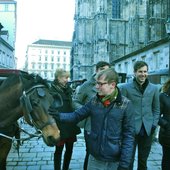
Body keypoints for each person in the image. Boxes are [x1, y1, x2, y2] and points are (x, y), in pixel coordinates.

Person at [49, 68, 135, 170]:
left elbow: (129, 136)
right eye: (96, 83)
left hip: (115, 160)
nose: (96, 87)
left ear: (112, 84)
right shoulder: (94, 101)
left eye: (101, 84)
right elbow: (76, 116)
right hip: (95, 158)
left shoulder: (125, 104)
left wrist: (124, 164)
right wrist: (58, 115)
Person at [119, 60, 160, 170]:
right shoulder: (125, 88)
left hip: (147, 130)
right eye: (140, 71)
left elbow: (156, 109)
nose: (143, 74)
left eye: (145, 71)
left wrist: (154, 125)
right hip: (130, 130)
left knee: (143, 160)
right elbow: (121, 110)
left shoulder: (154, 88)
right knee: (129, 160)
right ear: (134, 72)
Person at [72, 61, 110, 170]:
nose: (105, 72)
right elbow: (75, 101)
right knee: (91, 153)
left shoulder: (111, 85)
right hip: (91, 126)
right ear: (97, 70)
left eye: (107, 70)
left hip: (108, 126)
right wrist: (86, 111)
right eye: (102, 69)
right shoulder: (87, 85)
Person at [49, 68, 81, 170]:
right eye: (65, 77)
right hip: (59, 124)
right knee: (58, 150)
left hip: (70, 124)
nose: (67, 80)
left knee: (70, 149)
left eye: (67, 77)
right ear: (58, 78)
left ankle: (65, 168)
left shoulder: (68, 88)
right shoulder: (52, 90)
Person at [158, 79, 170, 170]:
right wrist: (166, 125)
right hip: (167, 134)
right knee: (167, 159)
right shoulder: (163, 96)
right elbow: (156, 115)